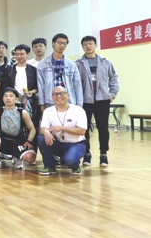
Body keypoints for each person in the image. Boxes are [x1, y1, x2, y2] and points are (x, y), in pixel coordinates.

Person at [76, 35, 119, 167]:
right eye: (85, 44)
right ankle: (87, 154)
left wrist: (112, 94)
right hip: (85, 101)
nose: (88, 46)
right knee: (84, 129)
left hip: (102, 100)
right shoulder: (77, 63)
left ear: (95, 45)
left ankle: (103, 154)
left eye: (90, 43)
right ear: (82, 47)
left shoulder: (105, 61)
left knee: (103, 128)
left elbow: (114, 77)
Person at [38, 87, 88, 176]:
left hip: (76, 144)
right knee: (42, 138)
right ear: (52, 97)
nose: (58, 96)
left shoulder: (79, 110)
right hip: (58, 144)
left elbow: (82, 131)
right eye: (55, 94)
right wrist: (46, 132)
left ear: (68, 95)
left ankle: (75, 166)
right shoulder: (48, 111)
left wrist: (62, 128)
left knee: (70, 160)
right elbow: (43, 128)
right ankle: (49, 166)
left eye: (61, 93)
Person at [0, 88, 37, 169]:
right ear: (2, 98)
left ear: (16, 99)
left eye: (11, 96)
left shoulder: (22, 112)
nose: (8, 98)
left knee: (30, 158)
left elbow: (32, 129)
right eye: (5, 96)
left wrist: (29, 141)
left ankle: (17, 157)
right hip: (4, 141)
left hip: (18, 141)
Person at [37, 33, 83, 110]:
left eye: (64, 43)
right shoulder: (42, 64)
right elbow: (40, 85)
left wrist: (79, 104)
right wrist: (42, 103)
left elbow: (77, 85)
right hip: (50, 101)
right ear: (53, 43)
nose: (61, 45)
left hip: (69, 101)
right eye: (59, 42)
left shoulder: (71, 64)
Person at [3, 44, 39, 126]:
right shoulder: (9, 69)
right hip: (13, 101)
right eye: (17, 54)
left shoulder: (33, 70)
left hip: (29, 101)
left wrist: (32, 92)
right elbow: (5, 86)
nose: (19, 56)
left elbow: (37, 87)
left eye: (22, 54)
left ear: (27, 54)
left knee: (30, 123)